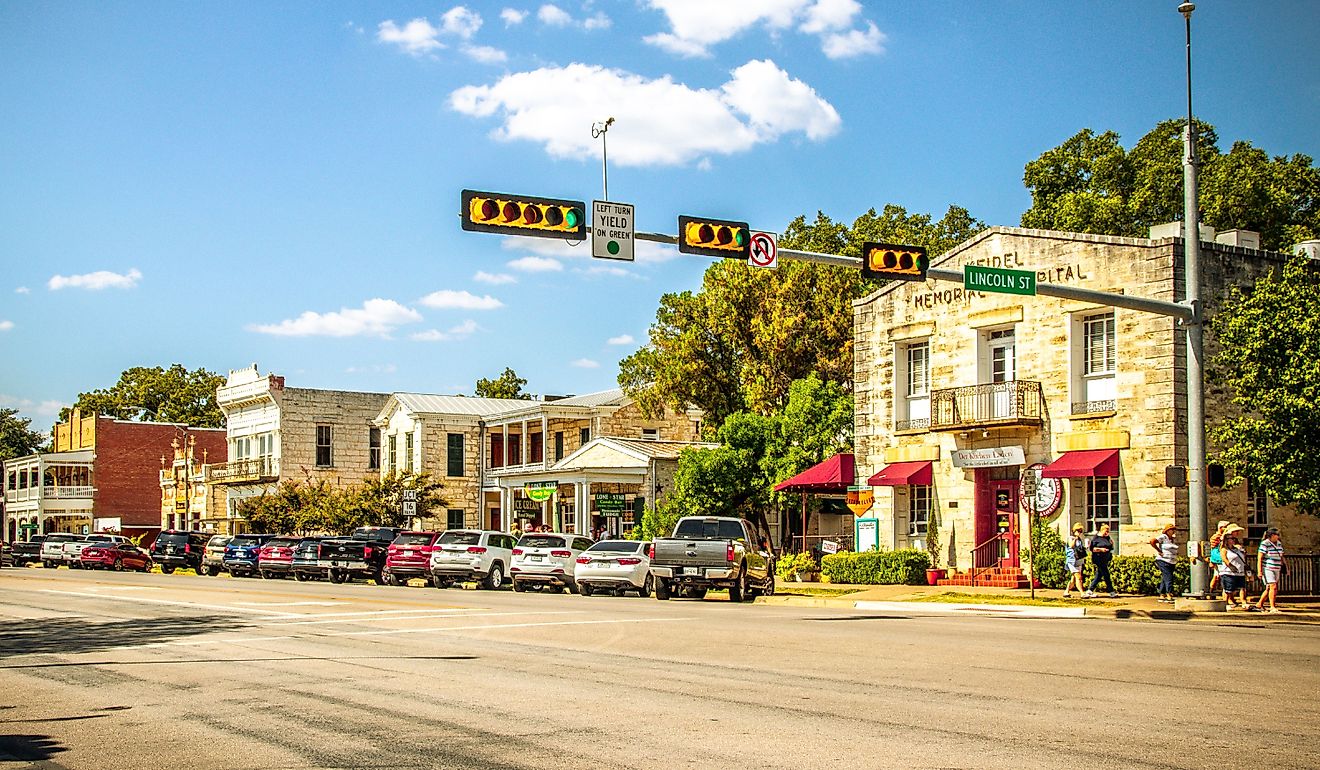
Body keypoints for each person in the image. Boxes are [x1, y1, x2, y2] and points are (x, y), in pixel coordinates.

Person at [1218, 524, 1253, 610]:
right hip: (1228, 572)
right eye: (1232, 538)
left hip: (1239, 571)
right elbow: (1225, 559)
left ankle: (1243, 602)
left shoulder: (1237, 548)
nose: (1234, 539)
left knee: (1242, 587)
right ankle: (1226, 603)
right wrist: (1231, 566)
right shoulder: (1224, 549)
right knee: (1228, 589)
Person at [1255, 527, 1285, 613]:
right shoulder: (1265, 544)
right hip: (1268, 568)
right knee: (1273, 586)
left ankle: (1259, 604)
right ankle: (1272, 606)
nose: (1278, 536)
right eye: (1277, 535)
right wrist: (1259, 571)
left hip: (1277, 567)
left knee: (1269, 588)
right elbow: (1260, 557)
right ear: (1272, 535)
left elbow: (1281, 555)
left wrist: (1286, 566)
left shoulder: (1279, 544)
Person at [1084, 523, 1117, 598]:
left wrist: (1112, 544)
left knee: (1099, 575)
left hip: (1106, 559)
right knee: (1106, 574)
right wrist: (1101, 550)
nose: (1107, 533)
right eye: (1106, 531)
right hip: (1098, 558)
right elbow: (1092, 549)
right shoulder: (1096, 538)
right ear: (1102, 530)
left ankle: (1090, 590)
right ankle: (1111, 591)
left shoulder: (1107, 538)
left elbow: (1110, 547)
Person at [1150, 523, 1179, 603]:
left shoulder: (1172, 539)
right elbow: (1152, 541)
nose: (1173, 531)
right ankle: (1169, 593)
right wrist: (1159, 551)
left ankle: (1162, 594)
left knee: (1165, 577)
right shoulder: (1163, 537)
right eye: (1171, 530)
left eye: (1174, 530)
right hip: (1163, 560)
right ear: (1167, 531)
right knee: (1169, 577)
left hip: (1171, 561)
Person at [1063, 523, 1087, 598]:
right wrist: (1075, 538)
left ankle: (1066, 591)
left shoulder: (1079, 540)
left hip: (1078, 560)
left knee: (1073, 578)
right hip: (1071, 560)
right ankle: (1082, 593)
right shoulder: (1071, 538)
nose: (1080, 532)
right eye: (1078, 531)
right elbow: (1071, 546)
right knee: (1078, 577)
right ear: (1074, 530)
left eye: (1081, 531)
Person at [1207, 520, 1229, 595]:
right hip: (1218, 559)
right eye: (1225, 527)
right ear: (1221, 528)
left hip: (1222, 558)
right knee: (1217, 576)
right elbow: (1212, 548)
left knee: (1218, 576)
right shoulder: (1216, 537)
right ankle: (1210, 590)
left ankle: (1213, 591)